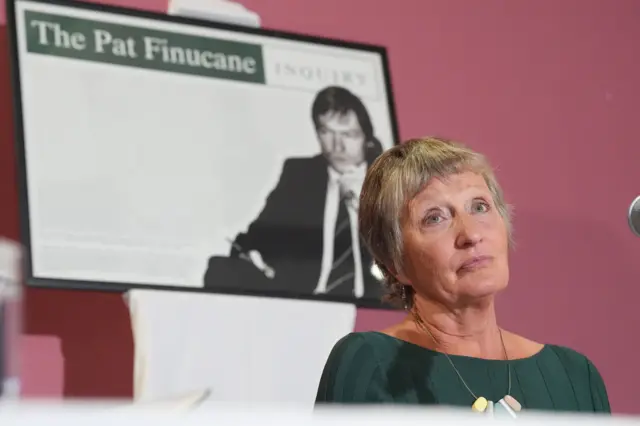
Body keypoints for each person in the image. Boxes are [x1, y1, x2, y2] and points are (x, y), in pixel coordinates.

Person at [315, 137, 611, 413]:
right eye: (435, 218)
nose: (470, 234)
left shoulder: (574, 377)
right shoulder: (370, 363)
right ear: (396, 263)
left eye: (479, 207)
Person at [204, 86, 385, 300]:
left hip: (372, 303)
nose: (338, 146)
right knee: (220, 270)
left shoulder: (388, 177)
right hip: (306, 300)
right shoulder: (300, 174)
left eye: (348, 134)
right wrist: (252, 252)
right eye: (327, 132)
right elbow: (258, 234)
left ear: (367, 137)